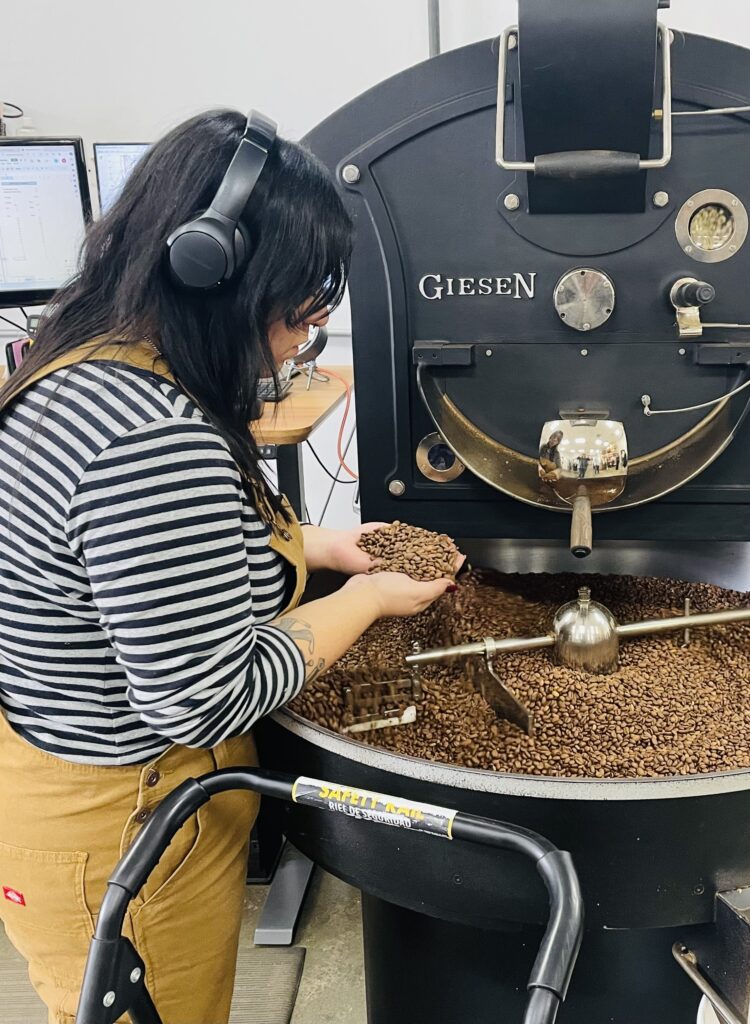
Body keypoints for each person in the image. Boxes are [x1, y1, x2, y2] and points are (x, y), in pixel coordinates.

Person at [0, 110, 458, 1024]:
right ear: (212, 273)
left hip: (72, 783)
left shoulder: (97, 361)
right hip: (127, 822)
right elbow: (201, 696)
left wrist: (323, 547)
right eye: (298, 313)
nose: (298, 342)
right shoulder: (148, 441)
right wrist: (364, 598)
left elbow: (162, 557)